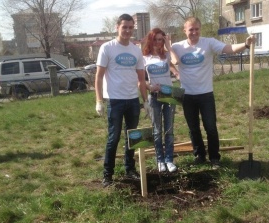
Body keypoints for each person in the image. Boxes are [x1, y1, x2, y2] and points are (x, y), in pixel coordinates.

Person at [172, 17, 256, 169]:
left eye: (197, 29)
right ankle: (199, 155)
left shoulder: (208, 43)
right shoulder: (177, 47)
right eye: (191, 29)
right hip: (187, 95)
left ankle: (214, 158)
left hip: (205, 94)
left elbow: (228, 49)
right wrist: (175, 72)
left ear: (200, 29)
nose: (194, 32)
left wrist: (245, 44)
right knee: (193, 128)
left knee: (210, 127)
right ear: (185, 31)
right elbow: (163, 56)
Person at [95, 14, 148, 187]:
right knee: (114, 137)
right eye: (124, 27)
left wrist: (145, 101)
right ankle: (108, 175)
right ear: (117, 27)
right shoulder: (107, 48)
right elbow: (99, 76)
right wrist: (99, 100)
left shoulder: (136, 50)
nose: (127, 30)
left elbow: (141, 78)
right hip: (115, 101)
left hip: (133, 100)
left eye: (130, 27)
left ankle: (130, 169)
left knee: (131, 137)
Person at [142, 28, 180, 173]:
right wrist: (150, 87)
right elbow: (139, 78)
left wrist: (168, 46)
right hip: (155, 97)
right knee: (157, 131)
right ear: (150, 40)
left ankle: (169, 160)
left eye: (161, 39)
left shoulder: (166, 56)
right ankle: (160, 160)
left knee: (169, 130)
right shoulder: (145, 57)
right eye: (156, 39)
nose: (158, 42)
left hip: (169, 95)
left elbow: (176, 61)